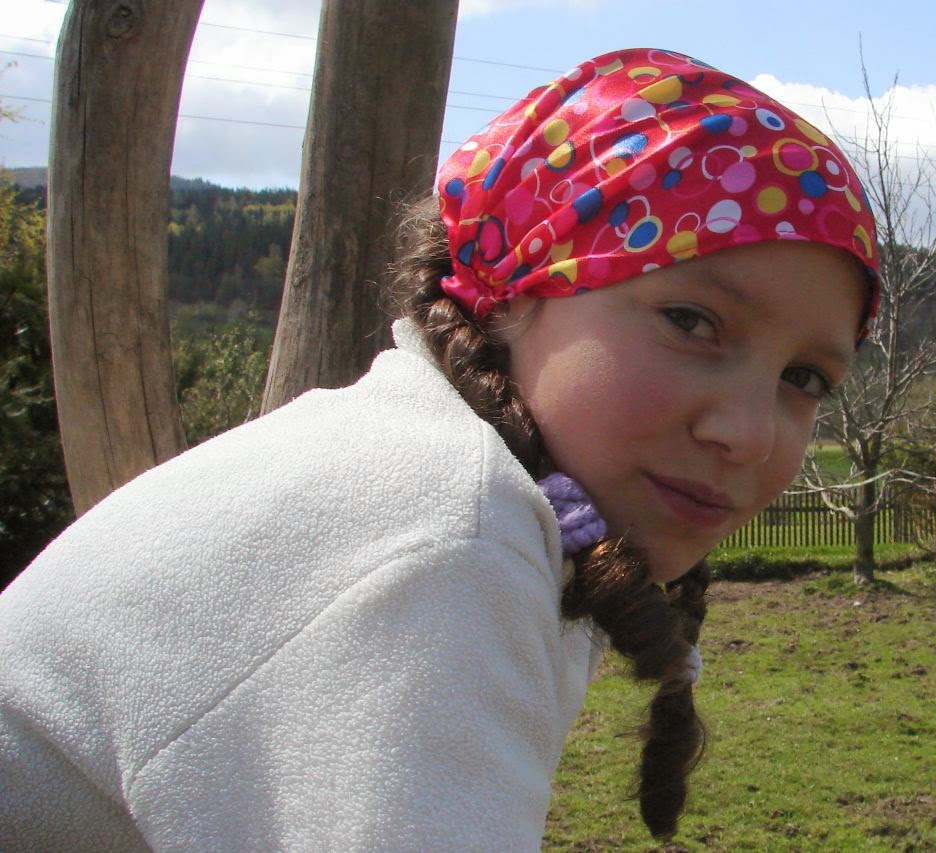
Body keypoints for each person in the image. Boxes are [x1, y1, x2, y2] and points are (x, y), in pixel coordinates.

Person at [0, 47, 878, 850]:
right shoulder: (447, 540)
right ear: (512, 291)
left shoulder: (462, 486)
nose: (749, 432)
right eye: (691, 320)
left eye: (804, 378)